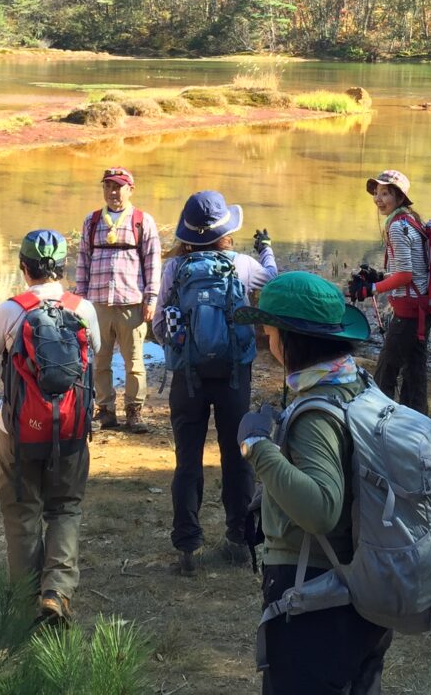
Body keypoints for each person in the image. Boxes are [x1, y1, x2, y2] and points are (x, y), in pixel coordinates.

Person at [234, 272, 393, 694]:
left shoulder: (316, 412)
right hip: (363, 586)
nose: (266, 340)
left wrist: (256, 447)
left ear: (290, 339)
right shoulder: (358, 386)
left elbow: (321, 509)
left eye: (269, 331)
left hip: (316, 593)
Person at [0, 229, 101, 626]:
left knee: (22, 511)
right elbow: (93, 350)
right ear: (63, 267)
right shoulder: (83, 307)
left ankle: (26, 600)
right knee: (65, 508)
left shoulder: (12, 309)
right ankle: (56, 593)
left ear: (24, 267)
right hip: (71, 431)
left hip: (19, 433)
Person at [151, 189, 277, 575]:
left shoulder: (174, 270)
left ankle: (188, 549)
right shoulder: (240, 264)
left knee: (186, 460)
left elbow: (158, 327)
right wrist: (266, 249)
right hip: (233, 375)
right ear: (226, 230)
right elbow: (273, 282)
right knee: (237, 457)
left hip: (187, 379)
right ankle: (239, 541)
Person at [75, 166, 161, 433]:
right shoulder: (91, 222)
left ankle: (134, 413)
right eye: (108, 186)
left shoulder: (142, 221)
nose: (113, 192)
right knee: (99, 361)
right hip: (97, 305)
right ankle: (105, 411)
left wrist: (151, 299)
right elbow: (82, 262)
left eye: (118, 186)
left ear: (130, 190)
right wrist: (79, 302)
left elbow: (153, 263)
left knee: (134, 362)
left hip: (131, 304)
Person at [354, 169, 431, 414]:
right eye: (376, 193)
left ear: (399, 196)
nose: (378, 199)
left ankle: (378, 422)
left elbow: (406, 275)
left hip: (409, 311)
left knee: (385, 371)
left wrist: (372, 289)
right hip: (421, 306)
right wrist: (380, 277)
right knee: (414, 370)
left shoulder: (397, 227)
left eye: (385, 193)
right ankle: (417, 420)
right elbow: (411, 270)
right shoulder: (411, 219)